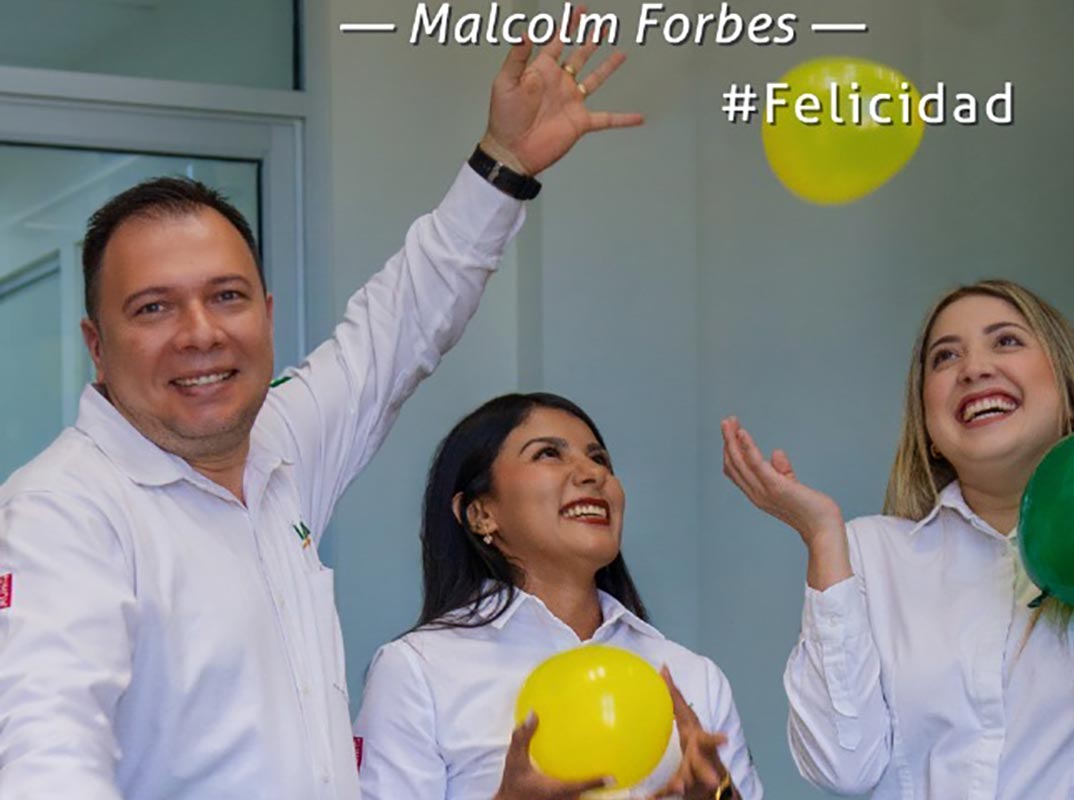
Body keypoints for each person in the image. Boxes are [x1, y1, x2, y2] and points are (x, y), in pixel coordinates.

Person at [0, 20, 641, 799]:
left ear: (267, 315)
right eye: (153, 308)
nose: (201, 334)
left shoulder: (277, 445)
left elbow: (399, 325)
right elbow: (47, 752)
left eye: (226, 297)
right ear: (96, 346)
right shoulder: (63, 511)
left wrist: (501, 165)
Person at [720, 279, 1074, 798]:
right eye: (945, 357)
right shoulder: (869, 553)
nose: (973, 368)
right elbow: (842, 766)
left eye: (1007, 341)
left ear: (1067, 394)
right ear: (928, 428)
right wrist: (821, 536)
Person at [354, 393, 764, 800]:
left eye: (600, 459)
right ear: (480, 514)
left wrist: (719, 796)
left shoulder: (693, 676)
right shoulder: (417, 670)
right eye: (548, 454)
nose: (592, 473)